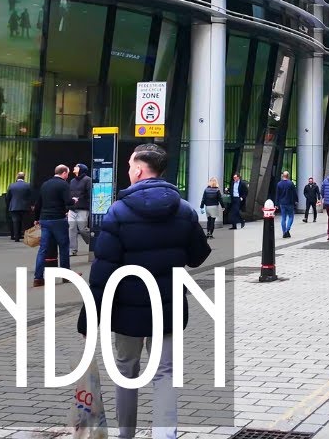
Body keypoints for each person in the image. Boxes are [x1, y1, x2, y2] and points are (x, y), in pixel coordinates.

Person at [77, 143, 210, 439]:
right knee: (165, 373)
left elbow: (102, 272)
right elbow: (198, 256)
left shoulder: (118, 211)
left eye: (129, 166)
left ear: (138, 170)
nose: (128, 170)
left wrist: (89, 319)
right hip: (168, 306)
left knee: (126, 371)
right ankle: (165, 435)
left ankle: (126, 435)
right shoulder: (184, 209)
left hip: (127, 310)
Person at [32, 165, 72, 287]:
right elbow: (68, 201)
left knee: (43, 249)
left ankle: (38, 278)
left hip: (44, 219)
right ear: (64, 173)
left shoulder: (45, 184)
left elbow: (38, 203)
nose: (67, 176)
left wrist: (36, 219)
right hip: (58, 219)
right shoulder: (64, 185)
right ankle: (65, 276)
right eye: (67, 173)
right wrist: (74, 201)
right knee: (64, 247)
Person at [68, 163, 93, 256]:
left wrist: (84, 201)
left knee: (82, 229)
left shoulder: (88, 180)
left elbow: (90, 194)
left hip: (83, 208)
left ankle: (93, 242)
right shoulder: (72, 181)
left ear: (81, 169)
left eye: (77, 167)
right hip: (72, 209)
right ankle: (72, 249)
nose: (74, 168)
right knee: (71, 229)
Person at [5, 172, 32, 242]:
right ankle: (26, 237)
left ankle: (16, 237)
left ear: (17, 177)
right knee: (25, 222)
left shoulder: (12, 185)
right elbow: (31, 196)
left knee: (16, 222)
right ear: (24, 177)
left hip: (14, 206)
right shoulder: (28, 185)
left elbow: (8, 197)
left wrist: (9, 204)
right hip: (25, 207)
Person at [275, 171, 296, 238]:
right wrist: (296, 200)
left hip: (282, 203)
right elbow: (294, 193)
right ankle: (287, 230)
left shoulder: (279, 184)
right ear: (288, 176)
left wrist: (276, 204)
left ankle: (284, 232)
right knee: (291, 216)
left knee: (283, 218)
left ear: (282, 176)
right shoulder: (291, 183)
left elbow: (277, 194)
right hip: (289, 202)